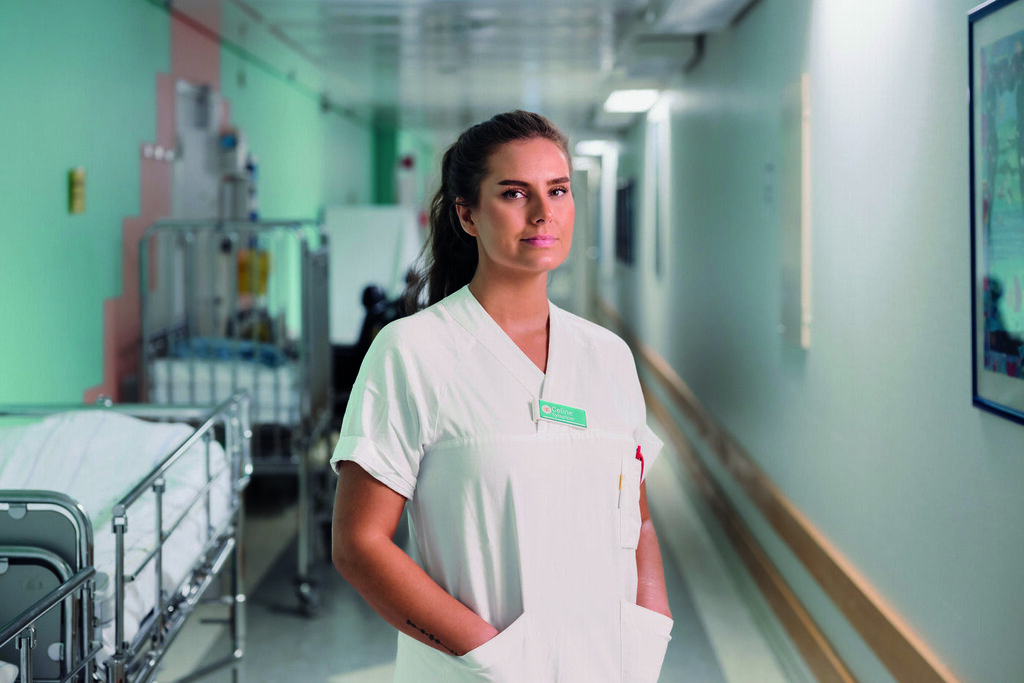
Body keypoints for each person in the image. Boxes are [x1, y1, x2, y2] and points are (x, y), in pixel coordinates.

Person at [330, 110, 673, 682]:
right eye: (514, 193)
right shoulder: (413, 351)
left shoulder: (608, 356)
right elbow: (359, 543)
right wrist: (493, 657)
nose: (543, 212)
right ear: (467, 214)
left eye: (557, 190)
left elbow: (636, 523)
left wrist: (649, 630)